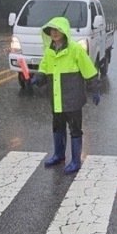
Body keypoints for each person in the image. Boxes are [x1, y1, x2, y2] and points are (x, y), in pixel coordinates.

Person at [30, 16, 100, 173]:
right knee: (57, 127)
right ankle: (59, 155)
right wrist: (39, 77)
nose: (54, 33)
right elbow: (45, 67)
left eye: (57, 30)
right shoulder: (49, 51)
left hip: (73, 99)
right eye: (51, 30)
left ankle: (75, 161)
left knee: (75, 129)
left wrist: (94, 88)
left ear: (64, 32)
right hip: (56, 98)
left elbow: (88, 69)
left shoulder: (75, 49)